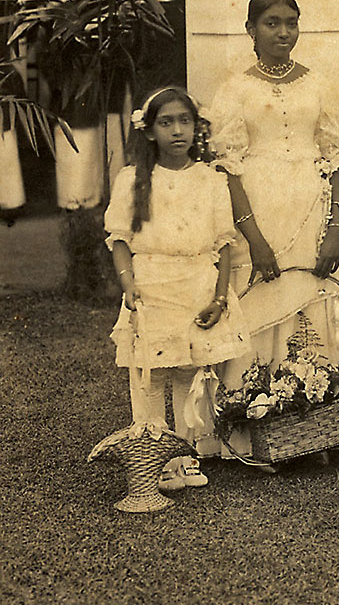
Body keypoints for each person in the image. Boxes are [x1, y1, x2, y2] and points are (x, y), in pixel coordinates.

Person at [210, 0, 339, 458]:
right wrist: (254, 239)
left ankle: (334, 419)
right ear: (251, 30)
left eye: (291, 22)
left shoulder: (319, 84)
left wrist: (335, 227)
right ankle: (259, 423)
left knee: (325, 302)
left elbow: (336, 160)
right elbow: (228, 169)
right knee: (264, 301)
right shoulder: (234, 89)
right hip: (260, 214)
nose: (283, 32)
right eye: (271, 23)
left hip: (314, 208)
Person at [104, 86, 248, 489]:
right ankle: (152, 457)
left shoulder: (210, 178)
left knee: (189, 370)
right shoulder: (133, 179)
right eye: (166, 122)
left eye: (184, 121)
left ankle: (183, 454)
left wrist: (220, 298)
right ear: (149, 131)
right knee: (151, 374)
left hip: (197, 282)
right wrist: (129, 285)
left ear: (196, 128)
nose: (177, 131)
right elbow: (119, 240)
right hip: (151, 283)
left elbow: (224, 245)